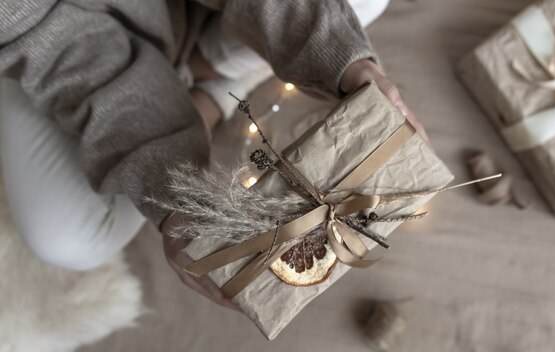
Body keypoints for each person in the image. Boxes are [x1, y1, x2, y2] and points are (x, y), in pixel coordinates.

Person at [0, 0, 426, 310]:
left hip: (199, 13)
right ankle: (208, 92)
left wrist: (348, 63)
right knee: (68, 240)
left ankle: (203, 77)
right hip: (62, 52)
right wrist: (172, 197)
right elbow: (67, 52)